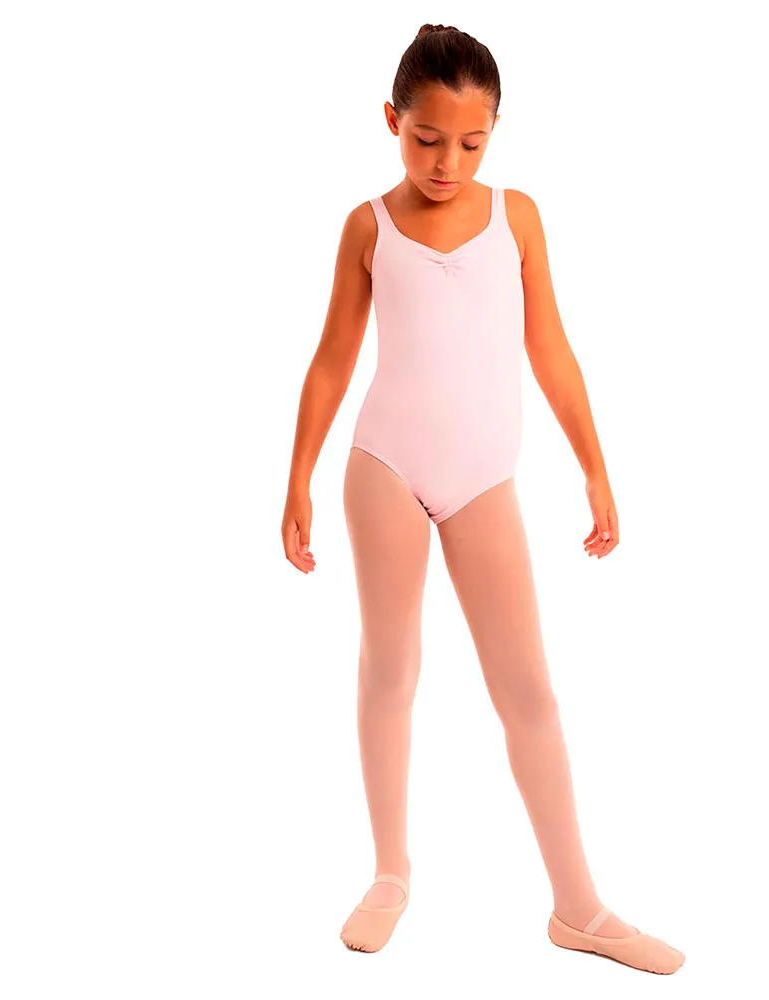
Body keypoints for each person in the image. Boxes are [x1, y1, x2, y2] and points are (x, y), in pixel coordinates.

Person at [280, 23, 685, 976]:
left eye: (472, 142)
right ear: (392, 120)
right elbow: (333, 358)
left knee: (527, 690)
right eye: (427, 140)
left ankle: (579, 907)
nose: (448, 163)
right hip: (384, 464)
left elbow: (551, 348)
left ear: (496, 130)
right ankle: (390, 874)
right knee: (391, 669)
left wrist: (595, 465)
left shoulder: (519, 218)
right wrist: (296, 475)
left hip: (483, 477)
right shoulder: (368, 227)